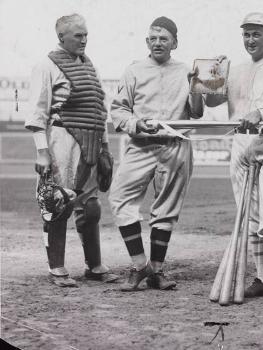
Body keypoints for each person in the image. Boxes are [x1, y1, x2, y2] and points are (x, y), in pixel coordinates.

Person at [204, 12, 263, 307]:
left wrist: (261, 113)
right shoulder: (235, 70)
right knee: (251, 215)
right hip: (242, 144)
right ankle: (261, 279)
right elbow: (208, 101)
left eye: (256, 34)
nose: (250, 40)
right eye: (246, 34)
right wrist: (211, 76)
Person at [109, 17, 204, 292]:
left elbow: (197, 112)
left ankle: (157, 271)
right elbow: (119, 110)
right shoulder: (134, 70)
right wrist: (136, 124)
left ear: (175, 42)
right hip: (141, 145)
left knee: (166, 210)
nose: (158, 43)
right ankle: (140, 266)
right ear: (146, 42)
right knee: (119, 197)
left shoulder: (187, 71)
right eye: (153, 38)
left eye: (164, 38)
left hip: (175, 144)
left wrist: (198, 85)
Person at [25, 13, 119, 287]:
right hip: (61, 139)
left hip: (90, 142)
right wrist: (42, 151)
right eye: (78, 35)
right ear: (61, 37)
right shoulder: (46, 65)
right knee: (58, 203)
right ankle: (57, 268)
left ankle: (94, 266)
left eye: (86, 34)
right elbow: (37, 113)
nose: (84, 40)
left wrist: (104, 148)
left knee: (90, 208)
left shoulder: (88, 65)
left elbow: (98, 111)